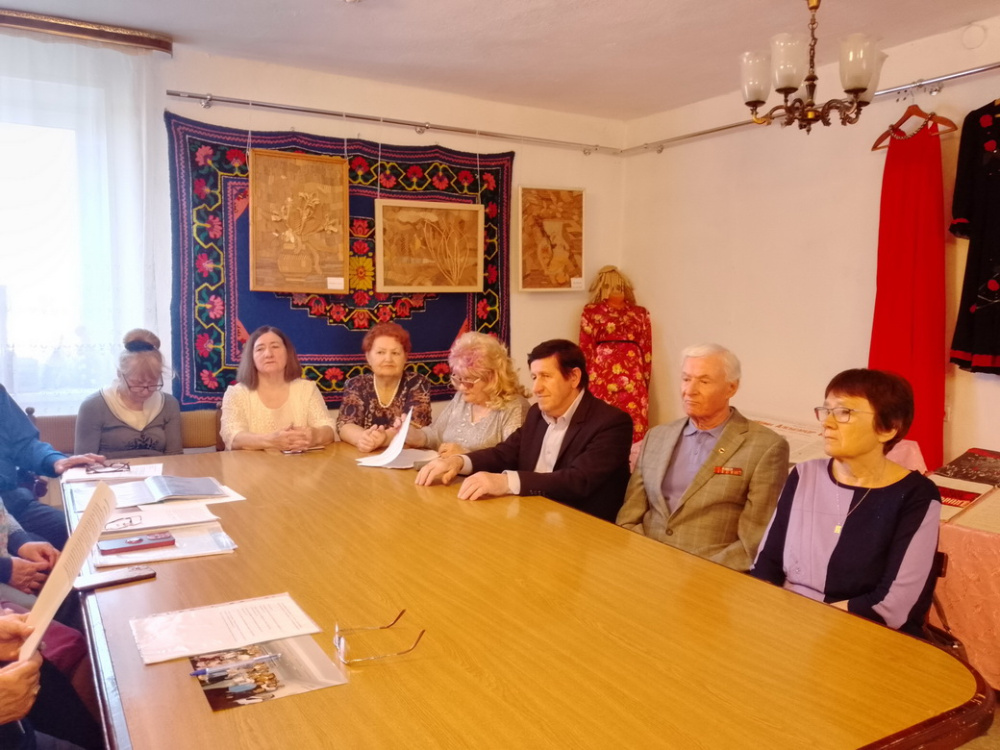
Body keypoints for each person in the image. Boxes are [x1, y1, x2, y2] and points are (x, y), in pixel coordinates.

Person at [751, 369, 941, 636]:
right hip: (786, 623)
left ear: (888, 428)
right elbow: (766, 564)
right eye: (826, 411)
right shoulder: (804, 475)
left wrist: (808, 626)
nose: (827, 423)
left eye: (844, 412)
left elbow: (893, 605)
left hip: (863, 634)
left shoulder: (915, 495)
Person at [415, 339, 632, 521]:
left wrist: (505, 482)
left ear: (574, 377)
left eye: (546, 376)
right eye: (534, 377)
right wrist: (459, 462)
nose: (536, 388)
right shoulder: (537, 413)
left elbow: (577, 480)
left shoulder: (612, 423)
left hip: (581, 528)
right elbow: (504, 453)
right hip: (529, 515)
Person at [616, 344, 789, 571]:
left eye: (704, 381)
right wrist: (643, 556)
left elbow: (753, 542)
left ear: (731, 388)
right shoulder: (657, 436)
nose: (690, 390)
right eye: (686, 379)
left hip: (709, 573)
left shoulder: (765, 447)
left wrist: (698, 575)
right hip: (643, 561)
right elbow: (629, 516)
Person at [0, 385, 104, 549]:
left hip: (14, 502)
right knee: (43, 555)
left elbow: (24, 445)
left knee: (85, 533)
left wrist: (55, 460)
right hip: (5, 519)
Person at [406, 332, 529, 456]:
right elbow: (435, 434)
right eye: (458, 378)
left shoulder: (514, 407)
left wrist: (466, 456)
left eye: (468, 380)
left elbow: (513, 459)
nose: (461, 387)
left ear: (492, 378)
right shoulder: (461, 398)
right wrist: (409, 434)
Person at [220, 326, 335, 451]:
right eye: (260, 349)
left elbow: (329, 429)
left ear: (288, 353)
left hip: (301, 462)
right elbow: (232, 437)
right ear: (251, 357)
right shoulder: (236, 393)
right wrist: (270, 441)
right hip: (251, 463)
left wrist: (315, 436)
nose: (268, 354)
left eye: (275, 347)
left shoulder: (307, 389)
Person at [74, 329, 182, 459]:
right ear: (119, 374)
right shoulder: (94, 406)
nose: (145, 391)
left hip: (160, 471)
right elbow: (84, 462)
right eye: (137, 383)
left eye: (153, 383)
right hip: (111, 471)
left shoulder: (168, 404)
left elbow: (175, 457)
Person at [579, 266, 652, 444]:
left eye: (619, 287)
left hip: (633, 380)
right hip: (601, 379)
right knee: (600, 422)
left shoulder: (640, 314)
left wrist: (644, 383)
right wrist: (583, 384)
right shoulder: (591, 312)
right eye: (610, 286)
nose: (616, 291)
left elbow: (647, 351)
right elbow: (585, 349)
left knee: (635, 424)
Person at [337, 322, 432, 453]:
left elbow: (414, 427)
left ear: (405, 357)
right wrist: (364, 439)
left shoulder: (418, 383)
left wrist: (383, 438)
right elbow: (345, 424)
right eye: (380, 352)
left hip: (405, 456)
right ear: (368, 357)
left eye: (395, 353)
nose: (388, 359)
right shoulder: (356, 384)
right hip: (365, 455)